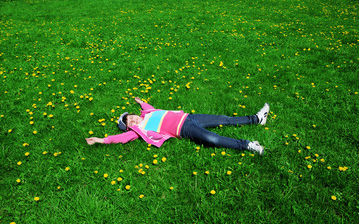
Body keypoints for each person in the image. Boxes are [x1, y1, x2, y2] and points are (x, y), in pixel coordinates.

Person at [86, 97, 270, 155]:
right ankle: (246, 145)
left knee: (223, 119)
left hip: (189, 117)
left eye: (130, 117)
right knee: (211, 139)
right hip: (184, 129)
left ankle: (256, 119)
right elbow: (121, 138)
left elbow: (147, 107)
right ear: (131, 128)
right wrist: (100, 140)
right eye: (129, 124)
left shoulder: (147, 113)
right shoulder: (140, 131)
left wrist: (140, 101)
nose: (132, 121)